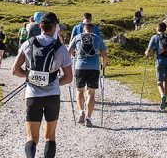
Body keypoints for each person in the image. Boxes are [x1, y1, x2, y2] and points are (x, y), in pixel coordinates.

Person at [12, 12, 73, 158]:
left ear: (40, 26)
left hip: (33, 96)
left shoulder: (28, 43)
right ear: (55, 27)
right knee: (50, 137)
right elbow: (69, 78)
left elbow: (15, 70)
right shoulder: (61, 48)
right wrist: (52, 81)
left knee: (32, 138)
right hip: (52, 96)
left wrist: (31, 78)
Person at [68, 13, 107, 126]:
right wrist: (103, 65)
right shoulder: (97, 38)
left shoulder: (78, 36)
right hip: (93, 68)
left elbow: (69, 52)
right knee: (91, 93)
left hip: (80, 67)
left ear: (83, 29)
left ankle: (81, 112)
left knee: (79, 90)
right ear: (93, 29)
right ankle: (88, 118)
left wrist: (68, 63)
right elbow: (104, 54)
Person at [144, 22, 167, 110]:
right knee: (165, 80)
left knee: (159, 82)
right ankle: (165, 100)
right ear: (165, 29)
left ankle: (162, 95)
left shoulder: (154, 38)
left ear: (157, 29)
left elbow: (148, 51)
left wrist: (147, 55)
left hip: (159, 62)